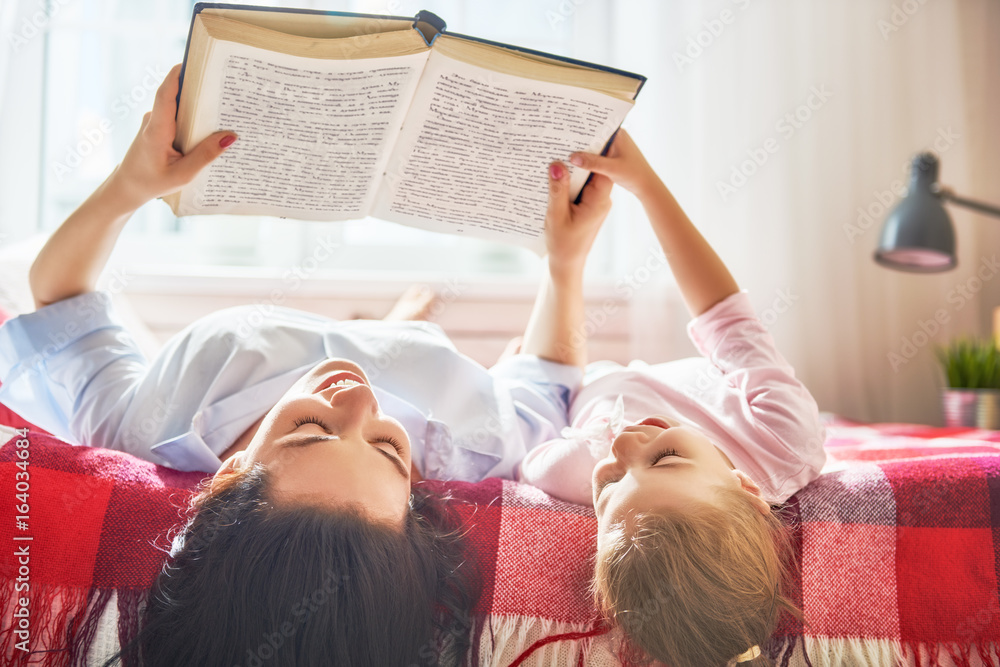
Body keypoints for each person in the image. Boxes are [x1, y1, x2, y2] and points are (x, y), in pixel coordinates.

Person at [0, 65, 614, 666]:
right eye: (387, 448)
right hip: (408, 339)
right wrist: (566, 260)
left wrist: (131, 186)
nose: (360, 400)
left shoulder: (145, 427)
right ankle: (393, 322)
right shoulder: (480, 448)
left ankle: (389, 320)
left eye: (311, 429)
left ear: (230, 475)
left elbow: (58, 293)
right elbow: (548, 376)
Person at [517, 129, 827, 667]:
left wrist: (560, 270)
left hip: (576, 364)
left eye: (610, 486)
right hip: (647, 371)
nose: (624, 446)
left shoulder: (563, 473)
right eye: (665, 457)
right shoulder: (784, 439)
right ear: (747, 489)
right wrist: (646, 185)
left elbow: (546, 388)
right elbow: (726, 317)